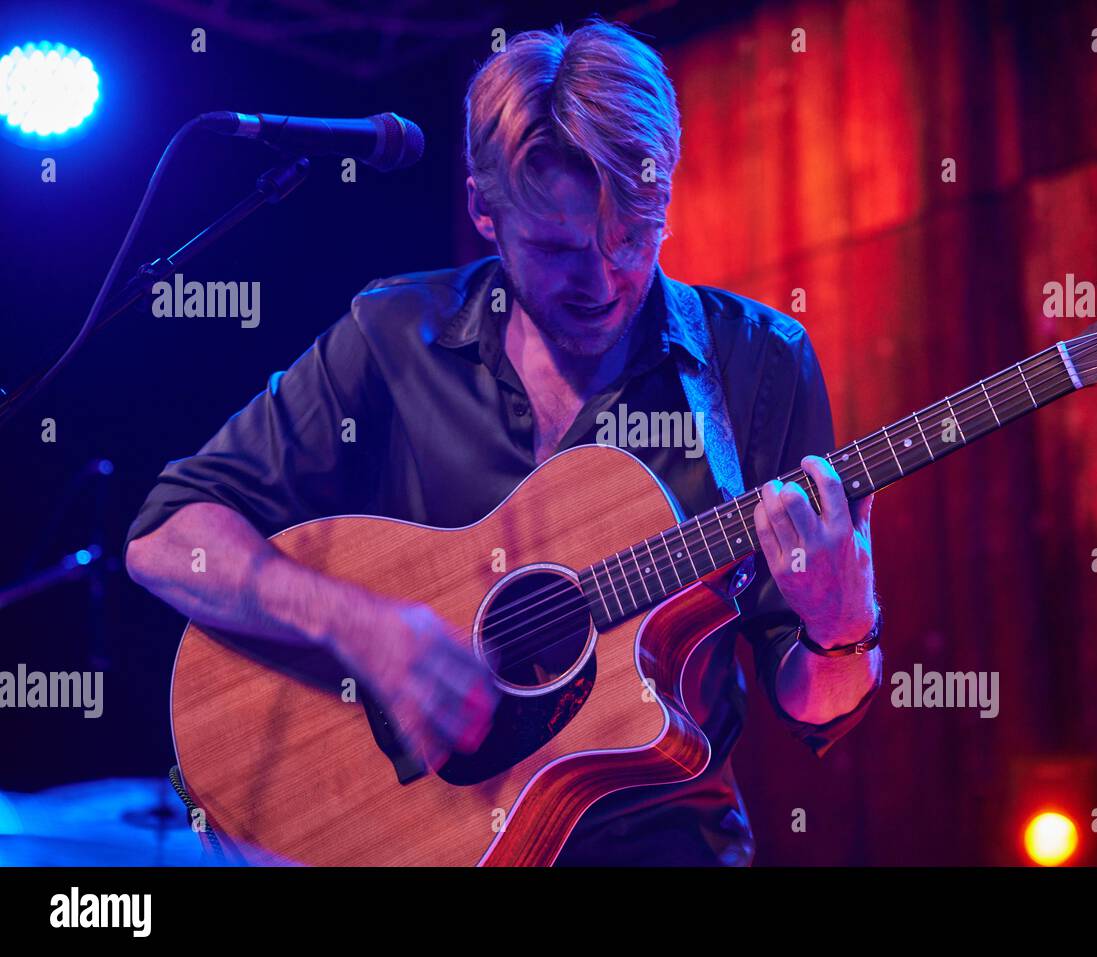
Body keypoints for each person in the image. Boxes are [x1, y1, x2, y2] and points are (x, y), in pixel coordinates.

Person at [125, 20, 882, 866]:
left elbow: (817, 699)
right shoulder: (394, 335)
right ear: (484, 209)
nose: (601, 282)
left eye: (631, 237)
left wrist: (840, 626)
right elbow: (166, 539)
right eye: (557, 248)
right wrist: (363, 625)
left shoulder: (759, 364)